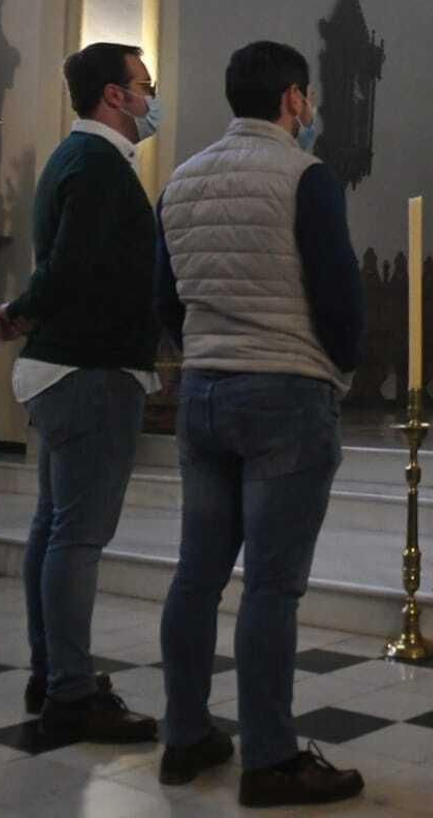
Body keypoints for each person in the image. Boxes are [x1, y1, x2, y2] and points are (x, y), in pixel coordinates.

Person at [154, 41, 365, 807]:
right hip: (284, 390)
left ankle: (184, 736)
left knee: (196, 575)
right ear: (294, 100)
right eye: (306, 97)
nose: (309, 109)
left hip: (203, 392)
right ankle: (269, 759)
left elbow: (164, 296)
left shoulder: (180, 180)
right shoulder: (305, 177)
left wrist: (204, 351)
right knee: (271, 588)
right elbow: (338, 289)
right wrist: (341, 367)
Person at [0, 42, 163, 742]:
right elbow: (72, 267)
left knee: (54, 527)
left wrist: (24, 312)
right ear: (114, 96)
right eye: (144, 86)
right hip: (89, 371)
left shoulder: (77, 159)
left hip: (68, 370)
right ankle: (69, 689)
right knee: (78, 536)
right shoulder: (97, 166)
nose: (152, 98)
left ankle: (52, 668)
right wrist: (22, 309)